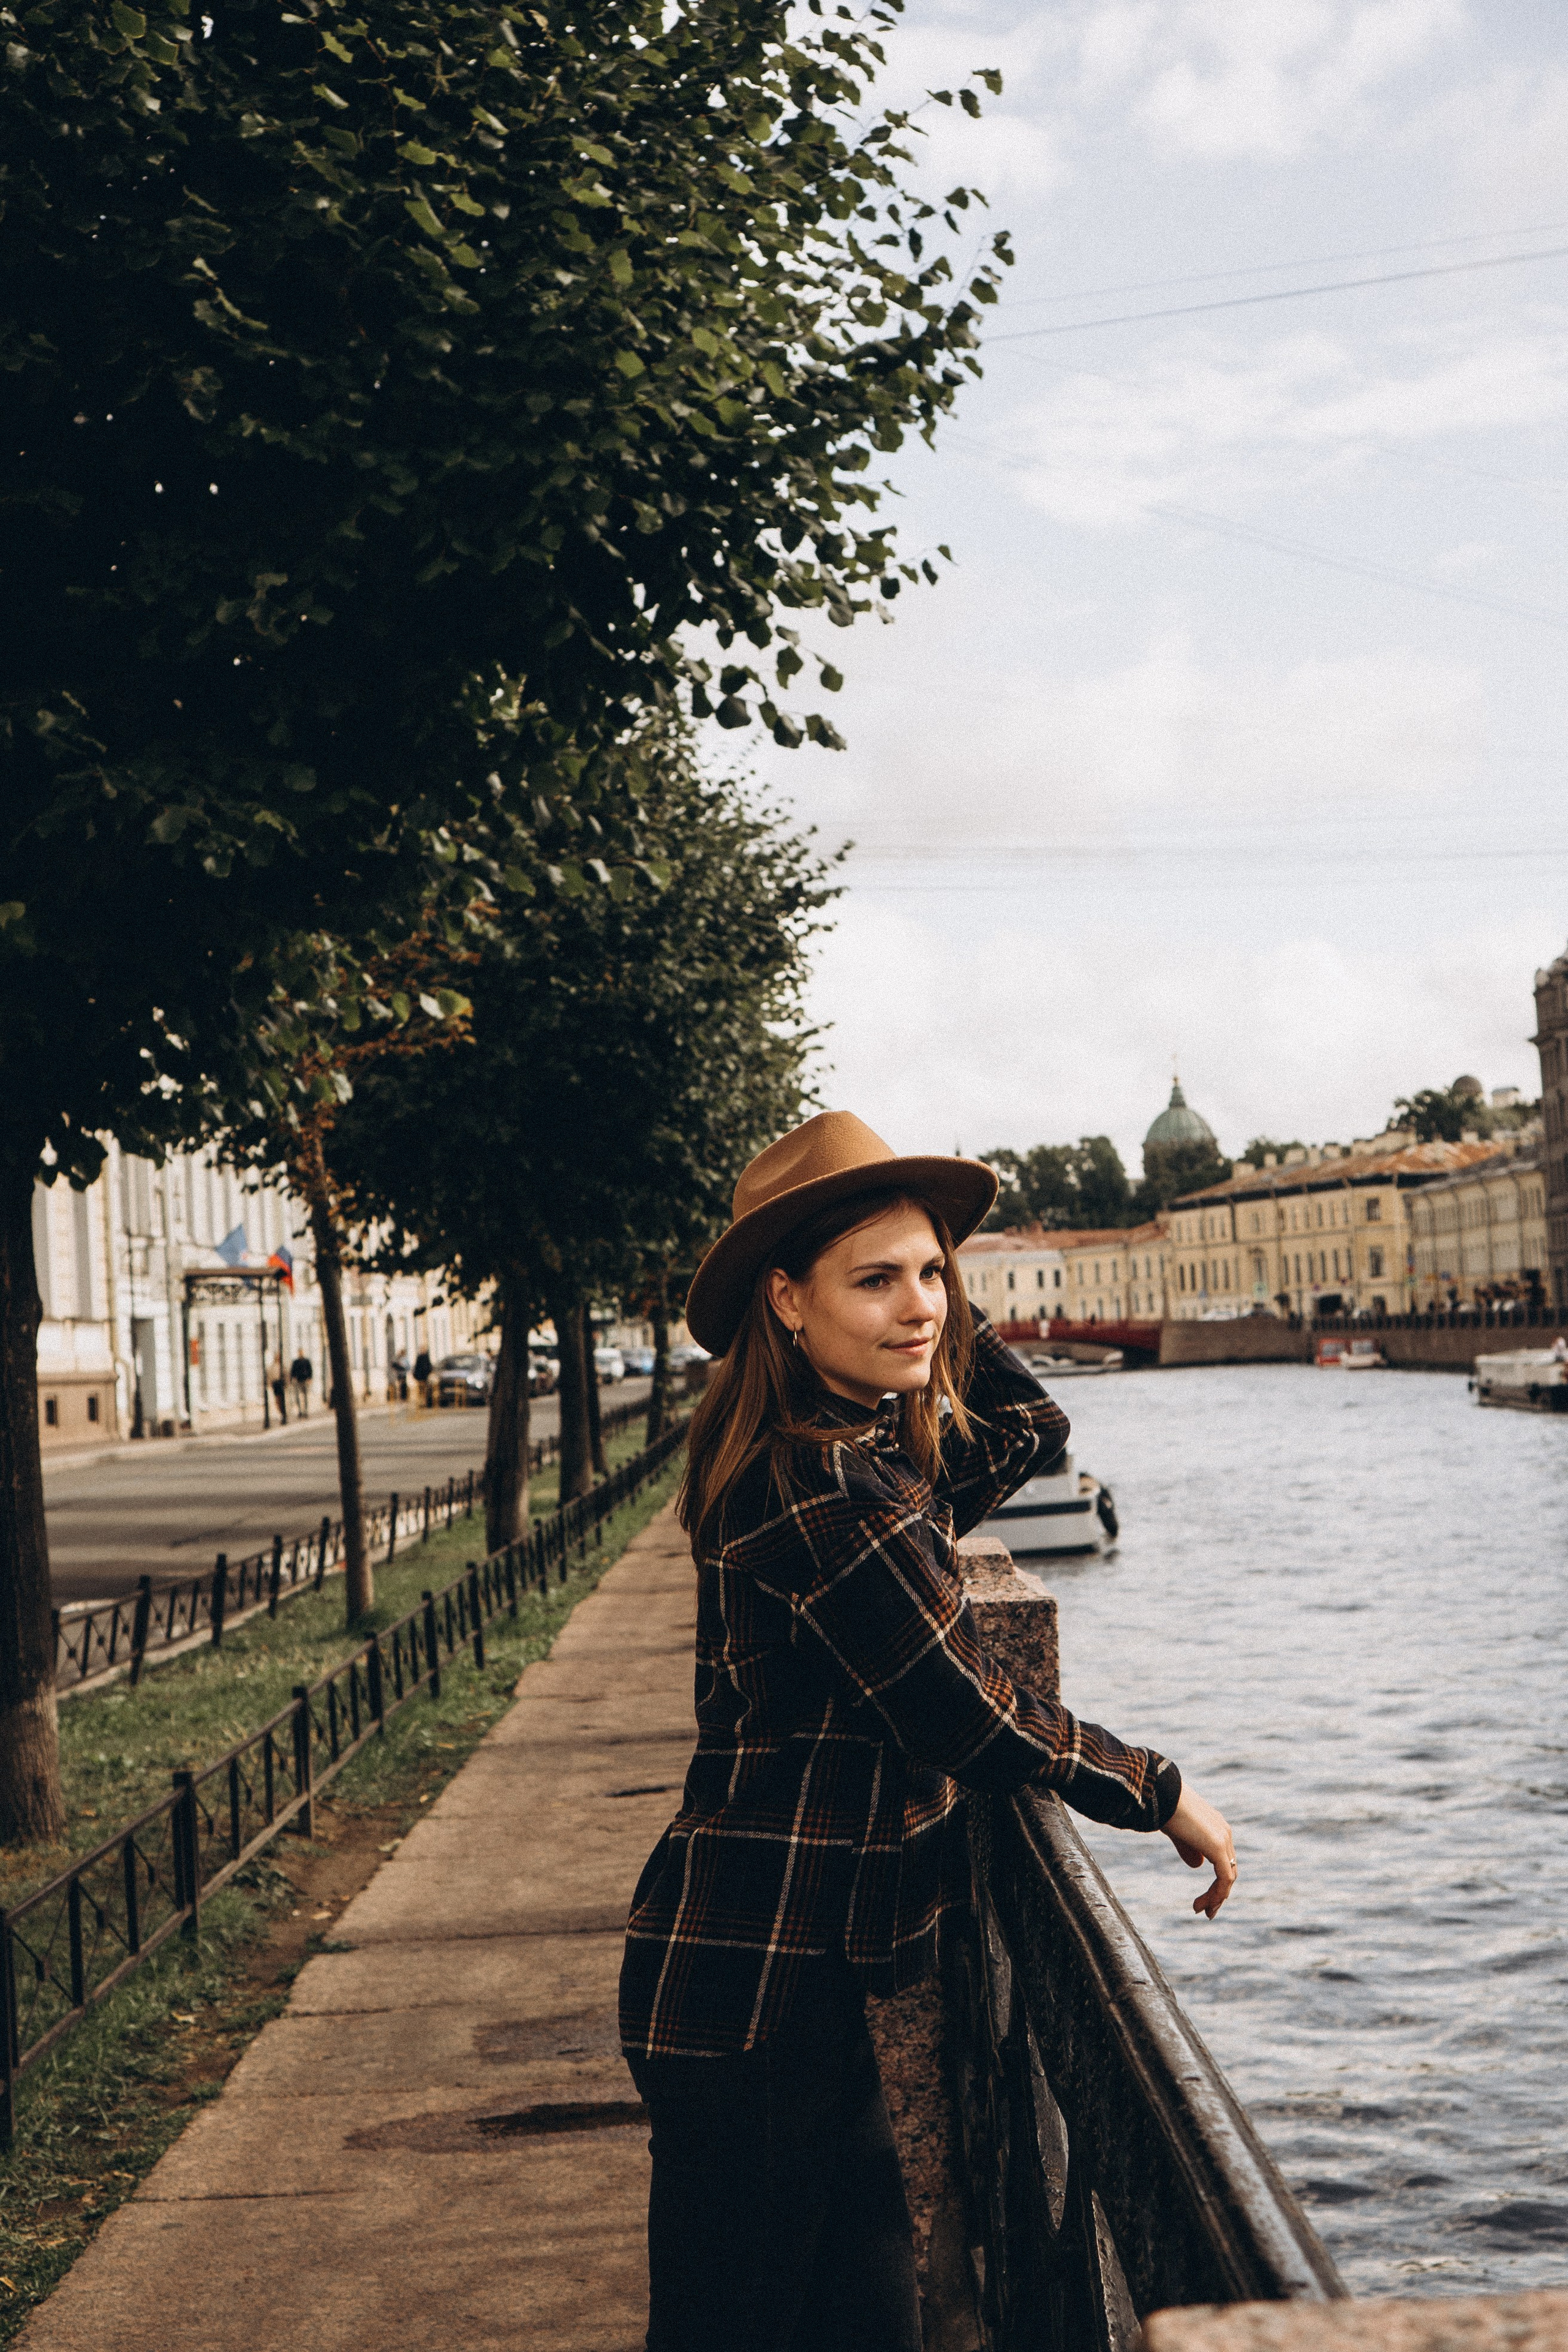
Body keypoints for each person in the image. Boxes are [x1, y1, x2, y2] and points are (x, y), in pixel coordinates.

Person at [619, 1112, 1236, 2352]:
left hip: (795, 1977)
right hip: (753, 1992)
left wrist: (926, 1263)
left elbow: (1029, 1431)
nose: (919, 1307)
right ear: (786, 1303)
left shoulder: (859, 1463)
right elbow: (967, 1715)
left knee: (859, 2320)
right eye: (875, 1279)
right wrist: (1154, 1788)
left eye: (933, 1274)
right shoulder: (826, 1493)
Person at [288, 1352, 313, 1416]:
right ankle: (300, 1411)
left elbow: (310, 1370)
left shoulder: (306, 1361)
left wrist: (310, 1378)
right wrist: (292, 1379)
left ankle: (306, 1411)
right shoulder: (296, 1362)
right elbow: (293, 1371)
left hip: (305, 1380)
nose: (301, 1354)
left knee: (305, 1397)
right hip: (298, 1381)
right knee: (298, 1397)